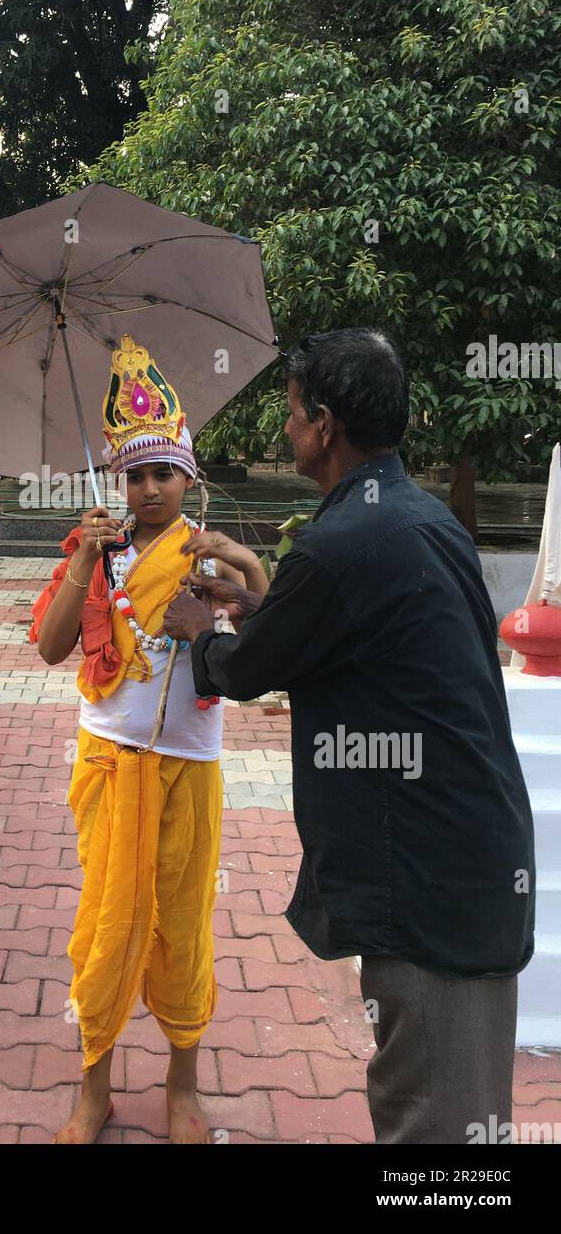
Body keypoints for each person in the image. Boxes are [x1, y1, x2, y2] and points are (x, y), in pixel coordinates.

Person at [164, 327, 536, 1145]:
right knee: (440, 1103)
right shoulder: (418, 519)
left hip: (430, 876)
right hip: (462, 851)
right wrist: (255, 609)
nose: (285, 431)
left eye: (293, 415)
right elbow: (344, 637)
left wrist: (199, 630)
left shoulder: (337, 546)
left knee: (436, 1133)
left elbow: (243, 671)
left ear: (325, 424)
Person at [29, 335, 269, 1144]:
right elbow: (51, 649)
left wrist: (239, 562)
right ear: (117, 480)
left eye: (163, 472)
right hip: (108, 763)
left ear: (189, 478)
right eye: (134, 474)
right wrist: (82, 566)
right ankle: (92, 1082)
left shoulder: (206, 551)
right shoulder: (98, 549)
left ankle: (182, 1085)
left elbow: (268, 633)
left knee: (182, 923)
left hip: (188, 770)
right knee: (104, 924)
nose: (148, 488)